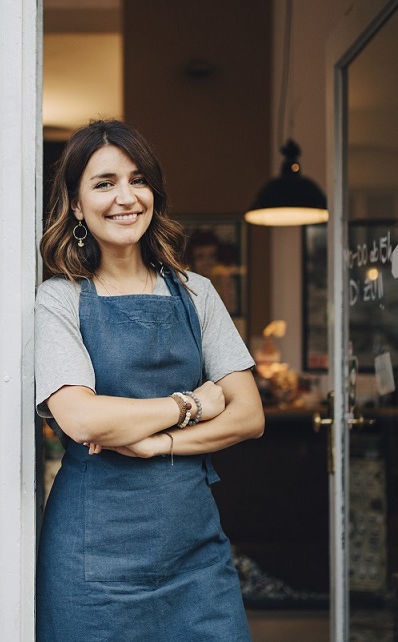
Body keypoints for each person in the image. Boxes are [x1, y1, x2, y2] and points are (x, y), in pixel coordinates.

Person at [34, 119, 265, 640]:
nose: (125, 198)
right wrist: (193, 404)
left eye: (138, 180)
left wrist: (157, 443)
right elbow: (81, 418)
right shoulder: (60, 299)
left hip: (194, 555)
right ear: (75, 204)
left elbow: (249, 416)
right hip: (94, 558)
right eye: (104, 183)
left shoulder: (197, 293)